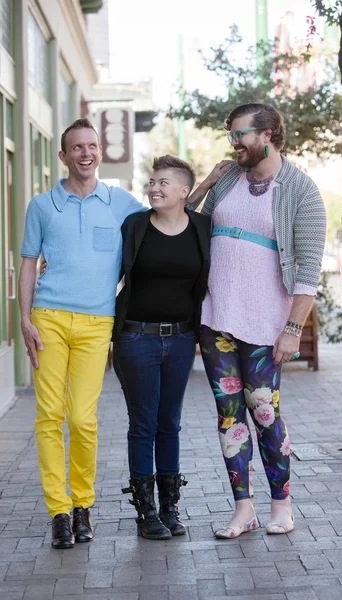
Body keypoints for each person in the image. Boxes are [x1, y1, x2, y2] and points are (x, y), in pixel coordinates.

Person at [188, 103, 326, 538]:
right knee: (229, 416)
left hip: (268, 322)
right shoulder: (228, 178)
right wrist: (207, 182)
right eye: (230, 135)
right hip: (216, 318)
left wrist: (292, 329)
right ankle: (243, 508)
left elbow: (308, 270)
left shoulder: (301, 189)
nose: (234, 144)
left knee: (264, 412)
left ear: (266, 134)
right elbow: (184, 225)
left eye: (239, 135)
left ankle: (281, 505)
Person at [18, 118, 145, 549]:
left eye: (92, 145)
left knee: (81, 419)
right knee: (49, 416)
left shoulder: (119, 202)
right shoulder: (42, 205)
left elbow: (168, 214)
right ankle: (58, 511)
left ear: (99, 152)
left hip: (96, 324)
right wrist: (24, 318)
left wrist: (201, 185)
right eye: (77, 147)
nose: (86, 153)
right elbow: (28, 263)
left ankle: (82, 505)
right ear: (64, 155)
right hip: (48, 317)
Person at [112, 155, 211, 540]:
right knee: (144, 424)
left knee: (170, 423)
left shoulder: (202, 227)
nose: (154, 187)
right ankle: (145, 511)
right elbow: (108, 271)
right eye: (152, 181)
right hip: (136, 338)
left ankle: (170, 507)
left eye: (163, 182)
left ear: (184, 192)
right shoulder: (134, 226)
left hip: (183, 338)